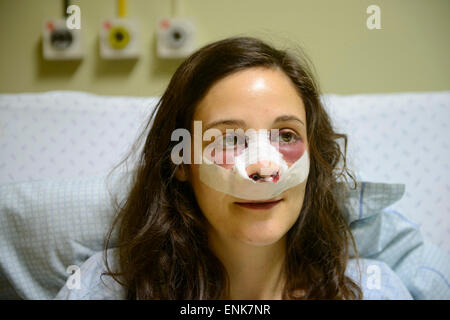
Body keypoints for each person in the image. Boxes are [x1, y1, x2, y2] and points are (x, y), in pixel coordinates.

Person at [55, 36, 412, 300]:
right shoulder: (101, 287)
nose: (262, 169)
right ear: (181, 162)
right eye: (228, 140)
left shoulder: (374, 290)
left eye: (286, 135)